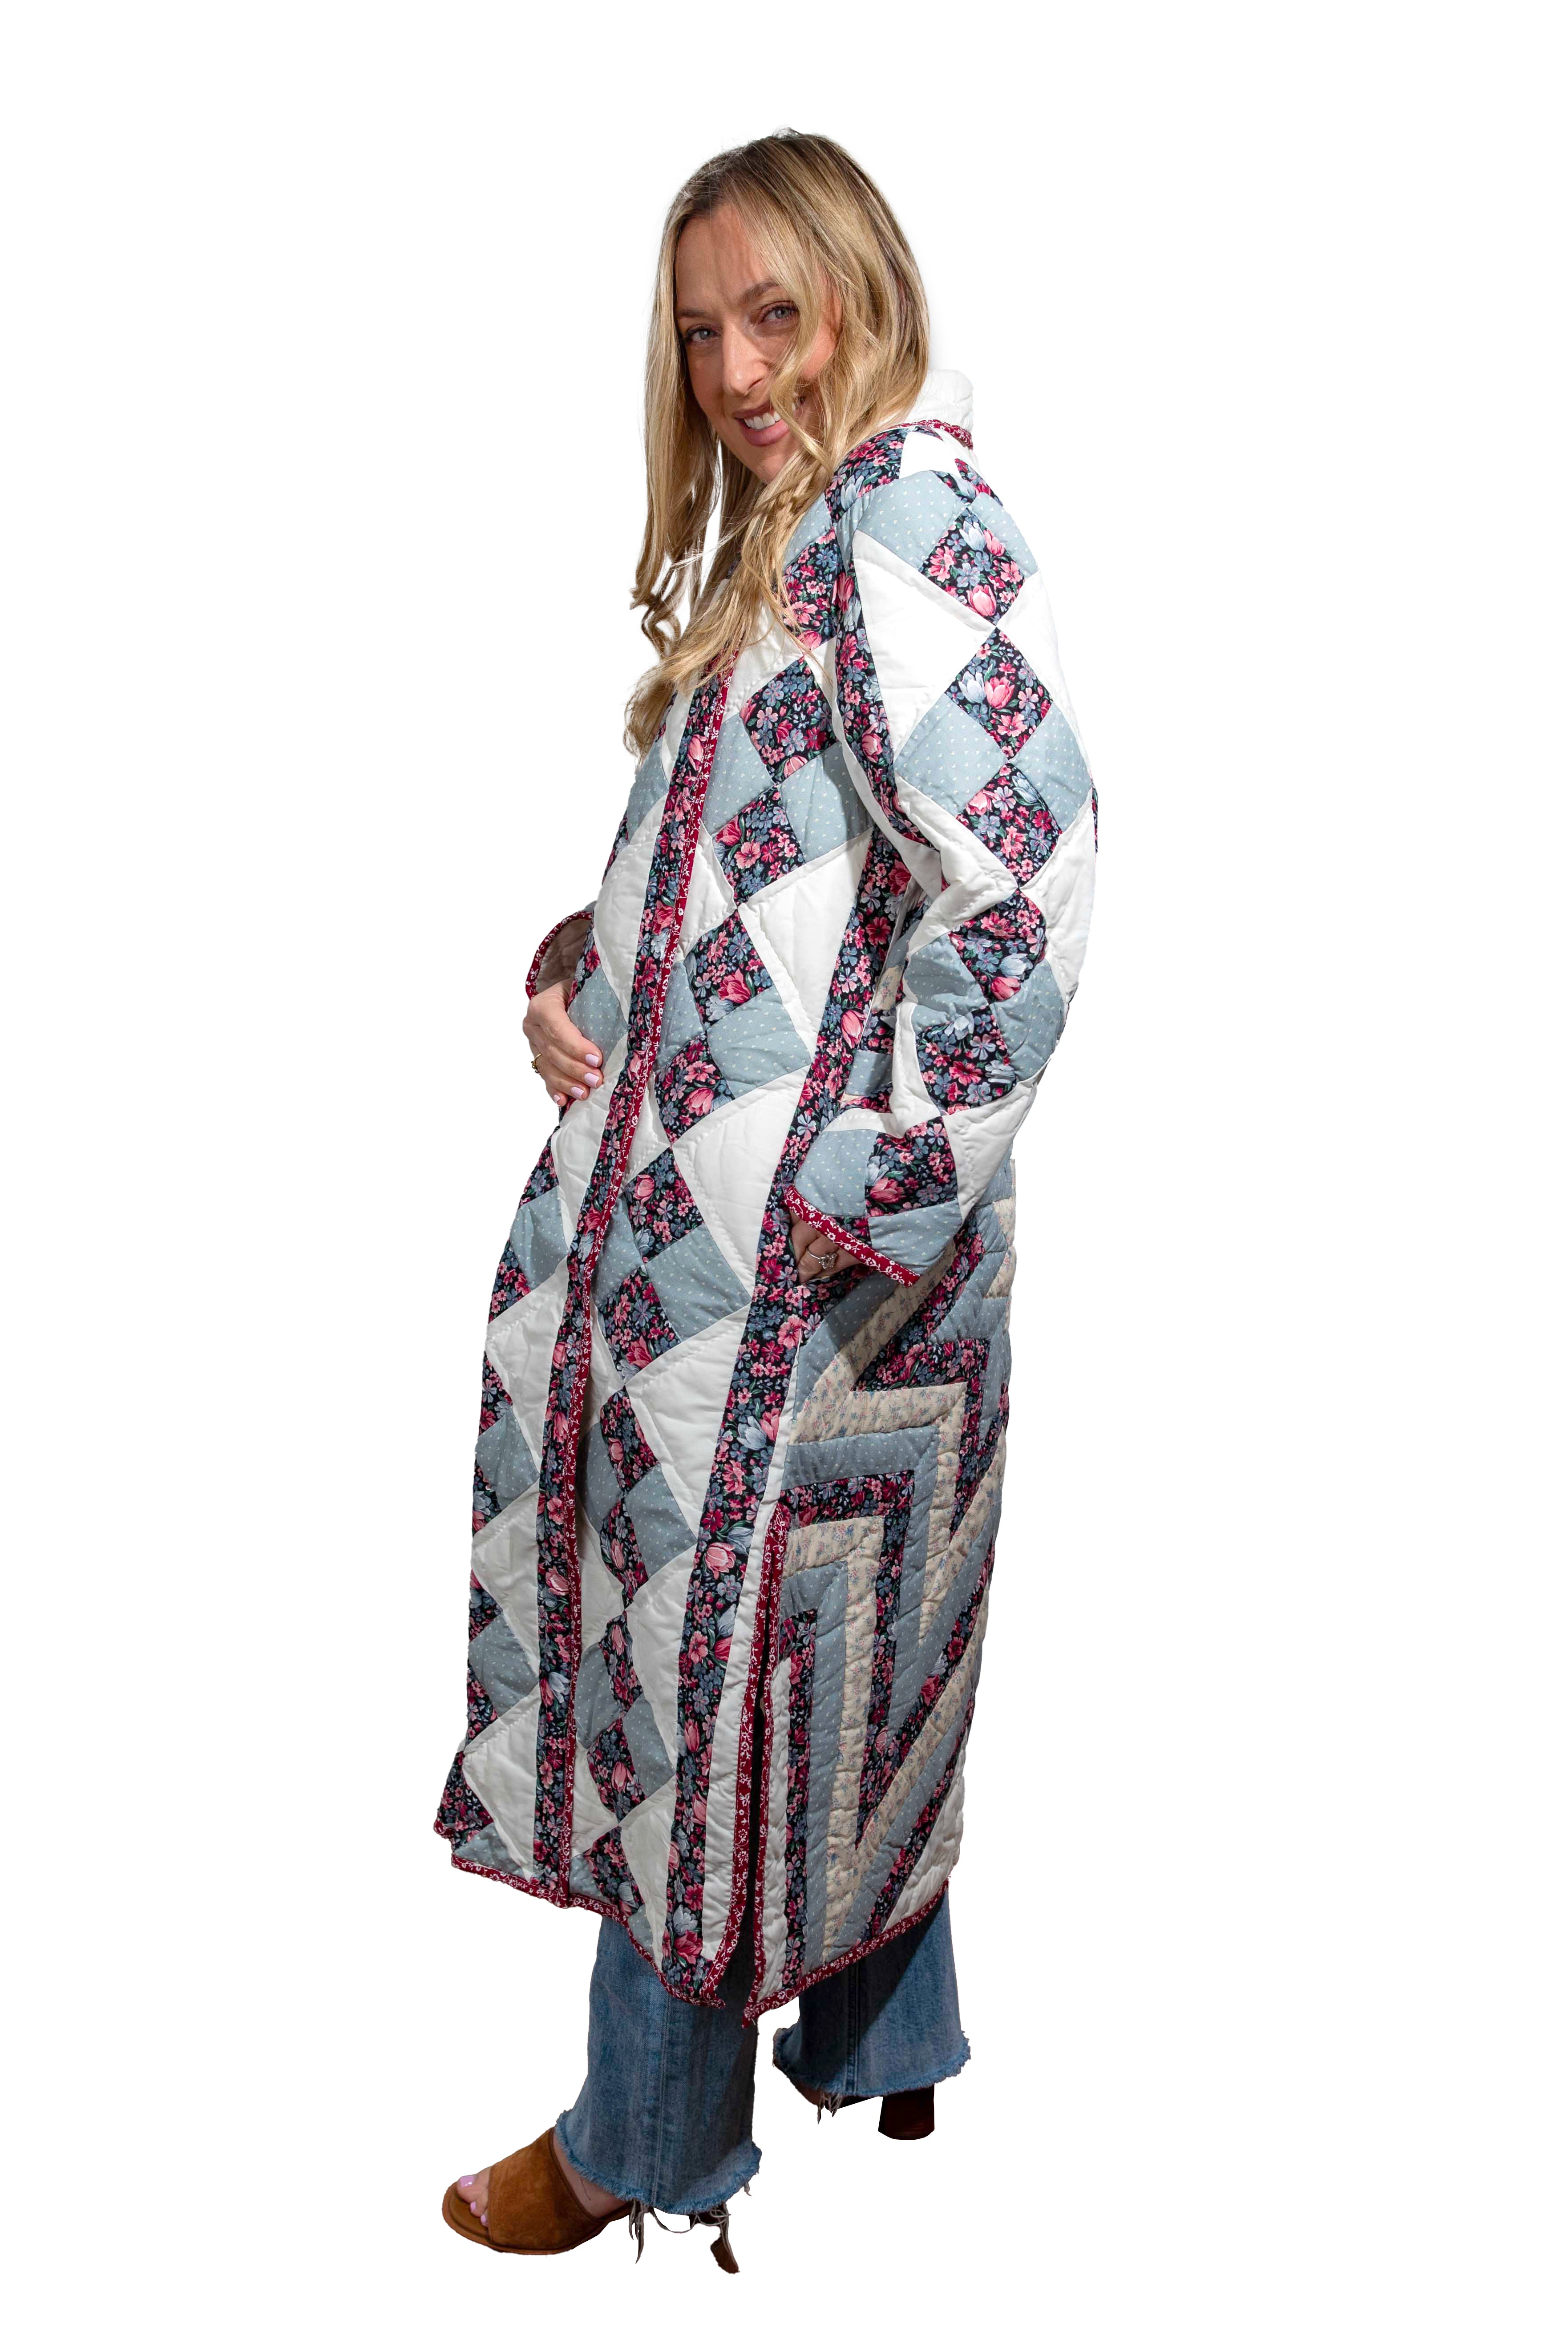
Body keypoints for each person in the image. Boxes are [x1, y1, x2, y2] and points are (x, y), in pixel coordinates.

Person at [436, 130, 1097, 2270]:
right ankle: (889, 2037)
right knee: (828, 1664)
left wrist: (857, 1175)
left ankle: (639, 2138)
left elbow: (1021, 882)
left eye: (772, 316)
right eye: (700, 330)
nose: (732, 370)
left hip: (804, 1281)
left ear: (857, 294)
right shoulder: (802, 536)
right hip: (760, 1260)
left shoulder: (904, 518)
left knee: (703, 1690)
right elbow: (779, 875)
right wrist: (587, 970)